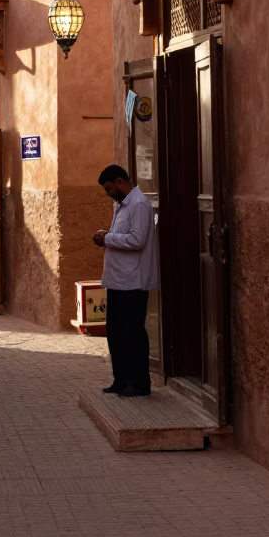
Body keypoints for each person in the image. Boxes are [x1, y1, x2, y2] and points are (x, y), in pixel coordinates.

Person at [92, 164, 158, 396]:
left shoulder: (139, 204)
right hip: (118, 280)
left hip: (133, 282)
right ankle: (121, 379)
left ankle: (139, 383)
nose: (109, 193)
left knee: (132, 333)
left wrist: (108, 238)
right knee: (117, 333)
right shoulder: (122, 205)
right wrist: (106, 236)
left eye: (110, 188)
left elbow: (137, 240)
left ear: (120, 182)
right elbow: (121, 236)